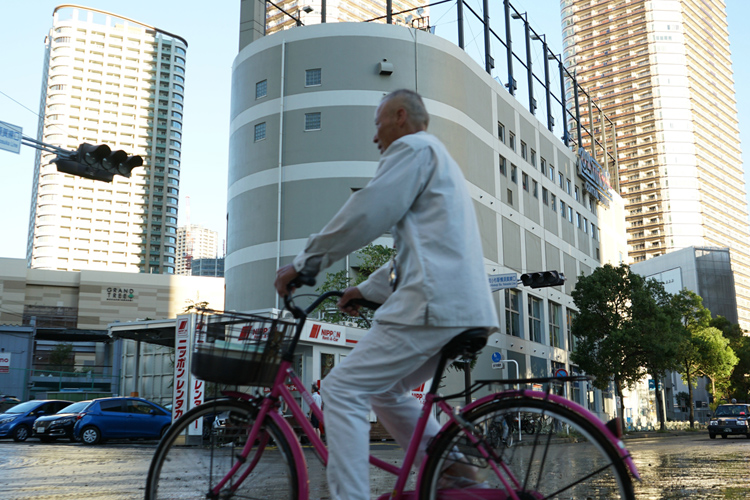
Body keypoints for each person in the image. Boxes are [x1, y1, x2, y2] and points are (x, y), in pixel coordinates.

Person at [275, 89, 499, 500]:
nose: (375, 138)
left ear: (400, 116)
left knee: (342, 389)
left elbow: (367, 210)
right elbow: (412, 251)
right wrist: (364, 289)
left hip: (432, 305)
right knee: (382, 388)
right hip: (459, 306)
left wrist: (305, 263)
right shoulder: (438, 160)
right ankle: (453, 467)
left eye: (377, 125)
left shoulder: (413, 148)